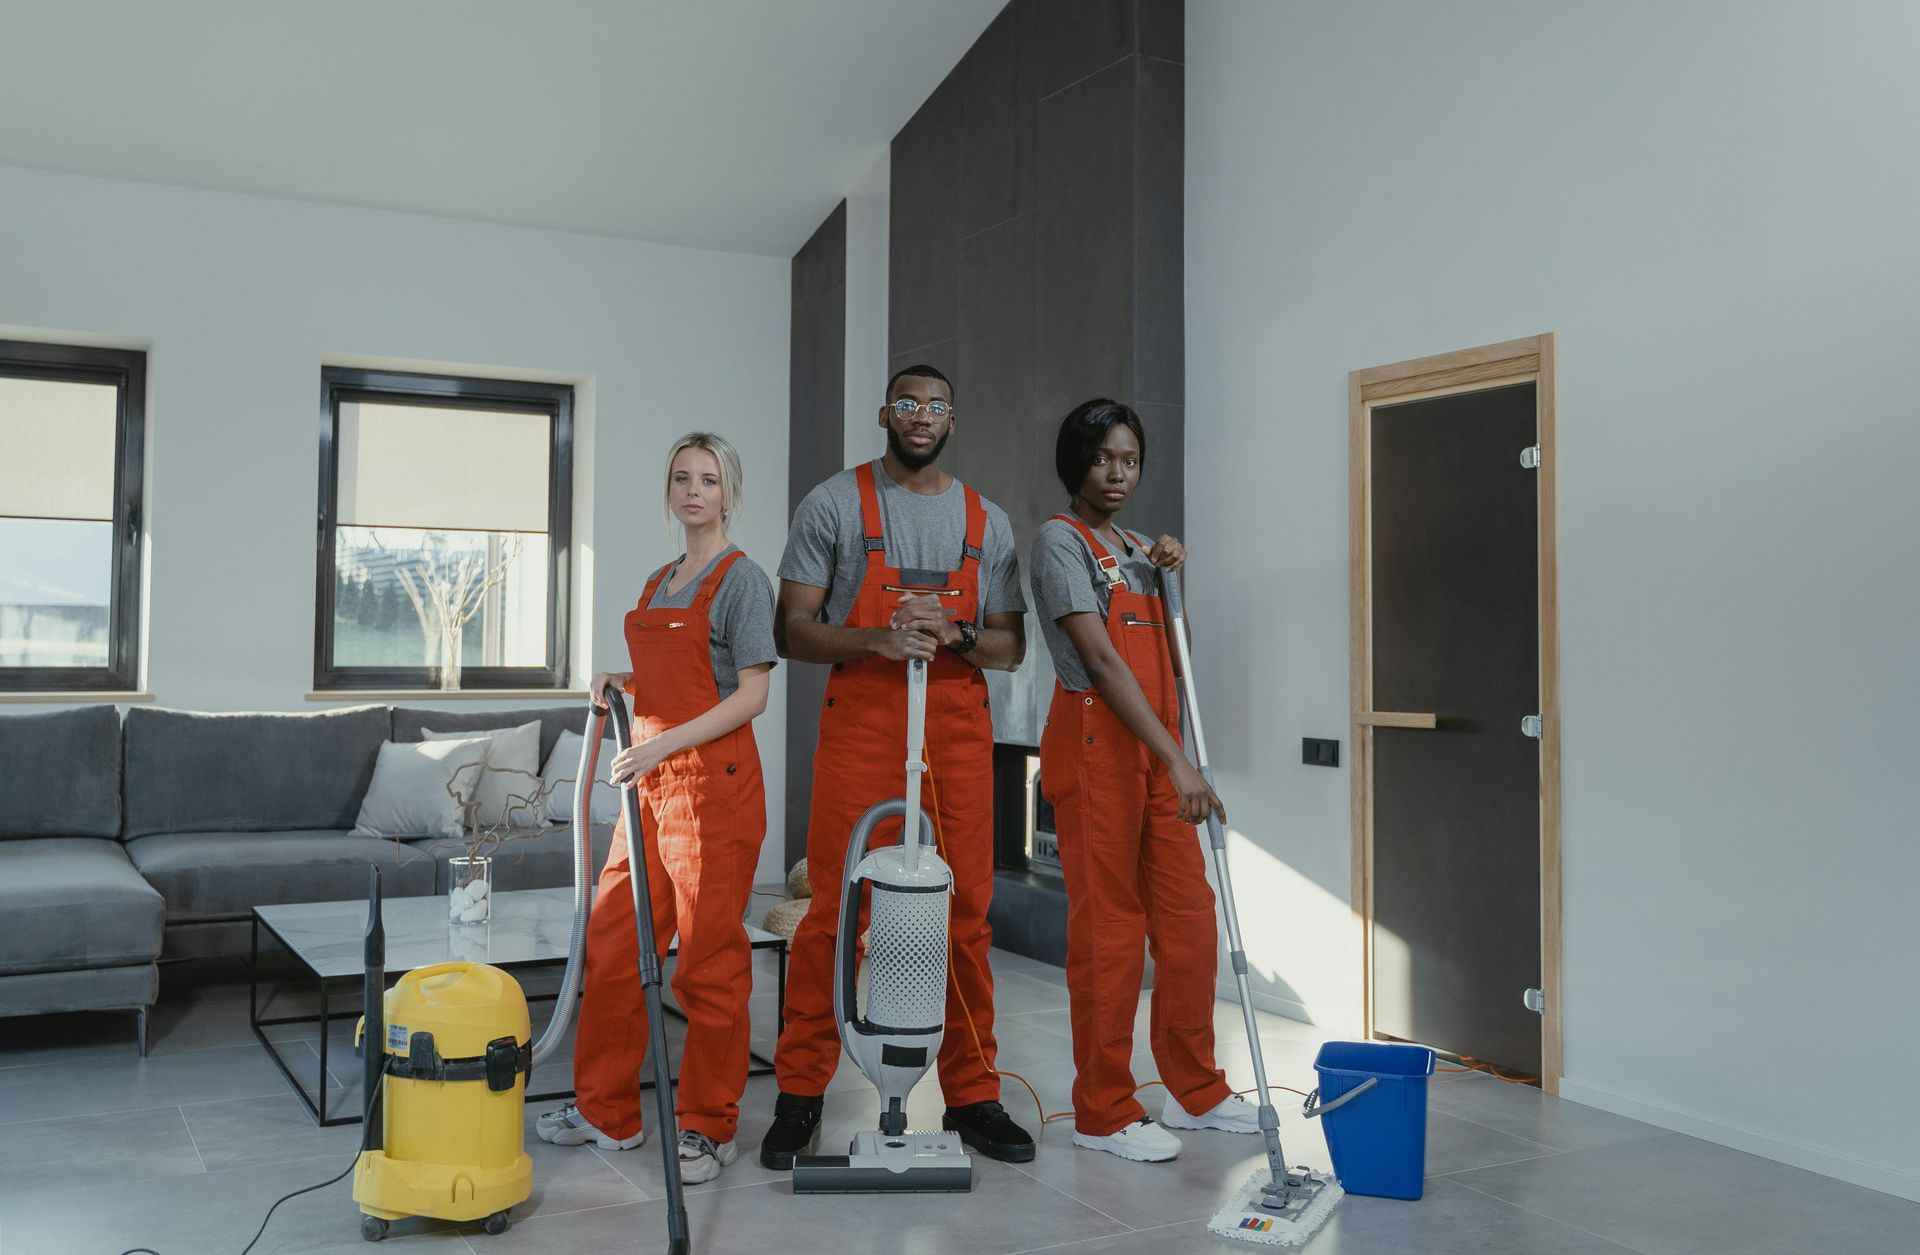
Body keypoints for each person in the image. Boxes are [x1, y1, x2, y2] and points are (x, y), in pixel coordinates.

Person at [758, 364, 1036, 1168]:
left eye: (937, 406)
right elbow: (793, 630)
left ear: (954, 418)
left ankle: (976, 1094)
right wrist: (879, 637)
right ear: (886, 413)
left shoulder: (989, 520)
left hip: (955, 726)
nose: (922, 417)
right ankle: (801, 1093)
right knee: (835, 912)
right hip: (863, 722)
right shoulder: (833, 503)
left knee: (968, 911)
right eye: (908, 404)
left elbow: (1011, 645)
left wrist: (953, 633)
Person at [538, 432, 777, 1185]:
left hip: (712, 790)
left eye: (709, 478)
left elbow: (751, 693)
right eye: (682, 477)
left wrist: (660, 743)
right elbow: (672, 679)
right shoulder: (657, 580)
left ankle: (708, 1126)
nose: (694, 490)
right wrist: (623, 682)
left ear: (729, 492)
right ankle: (606, 1110)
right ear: (669, 490)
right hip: (649, 785)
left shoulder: (743, 581)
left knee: (707, 963)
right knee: (613, 946)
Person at [1029, 399, 1257, 1162]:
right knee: (1111, 934)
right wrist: (1176, 758)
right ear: (1076, 463)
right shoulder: (1059, 544)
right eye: (1102, 459)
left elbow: (1170, 658)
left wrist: (1170, 580)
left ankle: (1196, 1090)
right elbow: (1100, 662)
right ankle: (1102, 1108)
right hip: (1099, 750)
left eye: (1129, 460)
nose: (1118, 473)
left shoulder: (1136, 548)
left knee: (1191, 920)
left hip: (1158, 754)